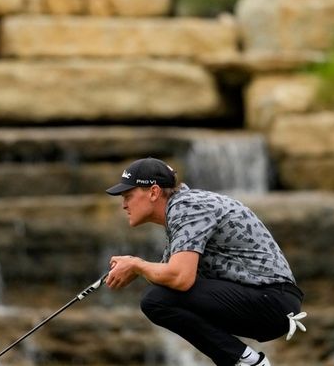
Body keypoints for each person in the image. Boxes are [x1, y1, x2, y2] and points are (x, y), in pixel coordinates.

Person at [104, 157, 306, 366]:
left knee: (156, 300)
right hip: (268, 301)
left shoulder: (187, 207)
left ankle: (246, 362)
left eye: (128, 195)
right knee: (159, 297)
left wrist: (137, 265)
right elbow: (169, 279)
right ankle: (242, 361)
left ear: (154, 192)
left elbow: (181, 278)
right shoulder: (181, 210)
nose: (124, 204)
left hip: (273, 301)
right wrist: (137, 268)